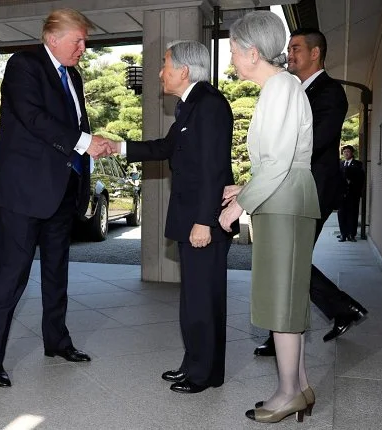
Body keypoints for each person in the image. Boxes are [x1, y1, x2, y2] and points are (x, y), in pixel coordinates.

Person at [0, 8, 112, 388]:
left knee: (57, 273)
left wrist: (85, 153)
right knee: (9, 276)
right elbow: (33, 118)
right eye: (78, 40)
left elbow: (74, 125)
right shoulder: (24, 65)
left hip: (62, 190)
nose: (84, 47)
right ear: (53, 38)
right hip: (22, 192)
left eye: (85, 41)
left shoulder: (74, 76)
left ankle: (57, 341)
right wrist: (86, 142)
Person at [108, 40, 239, 394]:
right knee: (195, 297)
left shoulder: (209, 104)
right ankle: (197, 365)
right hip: (191, 216)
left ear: (184, 70)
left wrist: (205, 221)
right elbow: (165, 148)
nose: (160, 72)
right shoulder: (190, 105)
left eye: (165, 64)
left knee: (203, 298)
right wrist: (117, 146)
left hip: (202, 219)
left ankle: (203, 374)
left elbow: (214, 168)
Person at [219, 11, 320, 423]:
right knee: (285, 298)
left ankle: (288, 392)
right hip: (284, 199)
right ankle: (301, 386)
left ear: (253, 52)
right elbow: (280, 160)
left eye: (232, 52)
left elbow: (279, 161)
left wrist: (238, 206)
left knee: (282, 300)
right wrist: (245, 188)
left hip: (284, 202)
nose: (231, 61)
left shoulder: (280, 88)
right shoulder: (282, 88)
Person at [253, 28, 369, 355]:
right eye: (289, 48)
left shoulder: (329, 92)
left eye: (296, 48)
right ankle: (336, 312)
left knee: (289, 261)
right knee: (291, 261)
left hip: (313, 191)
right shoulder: (295, 90)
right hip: (294, 188)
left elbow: (312, 142)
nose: (289, 54)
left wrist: (274, 158)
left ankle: (297, 328)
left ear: (315, 53)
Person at [337, 144, 364, 242]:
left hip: (353, 194)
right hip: (342, 194)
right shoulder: (340, 164)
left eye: (348, 151)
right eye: (344, 152)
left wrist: (351, 181)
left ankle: (351, 234)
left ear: (352, 153)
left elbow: (360, 178)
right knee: (341, 214)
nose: (346, 153)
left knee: (352, 214)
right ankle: (343, 234)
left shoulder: (358, 164)